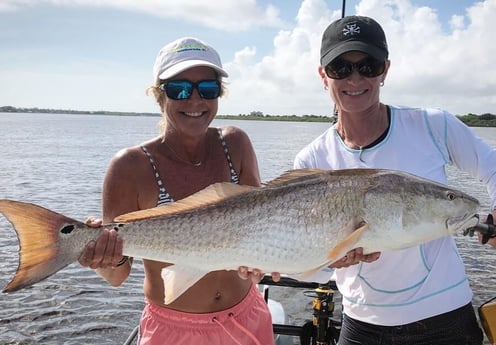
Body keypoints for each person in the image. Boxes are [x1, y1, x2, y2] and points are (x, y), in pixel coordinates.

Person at [294, 15, 496, 345]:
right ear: (322, 75)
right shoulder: (312, 160)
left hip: (444, 319)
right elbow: (309, 265)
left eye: (368, 66)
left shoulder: (433, 125)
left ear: (385, 69)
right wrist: (330, 260)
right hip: (361, 324)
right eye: (340, 68)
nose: (354, 78)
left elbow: (493, 165)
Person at [78, 37, 274, 345]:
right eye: (178, 89)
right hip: (173, 332)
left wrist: (265, 266)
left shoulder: (235, 143)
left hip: (248, 318)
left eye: (207, 89)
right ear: (158, 96)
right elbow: (117, 275)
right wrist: (101, 258)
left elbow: (259, 231)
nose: (195, 100)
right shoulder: (130, 166)